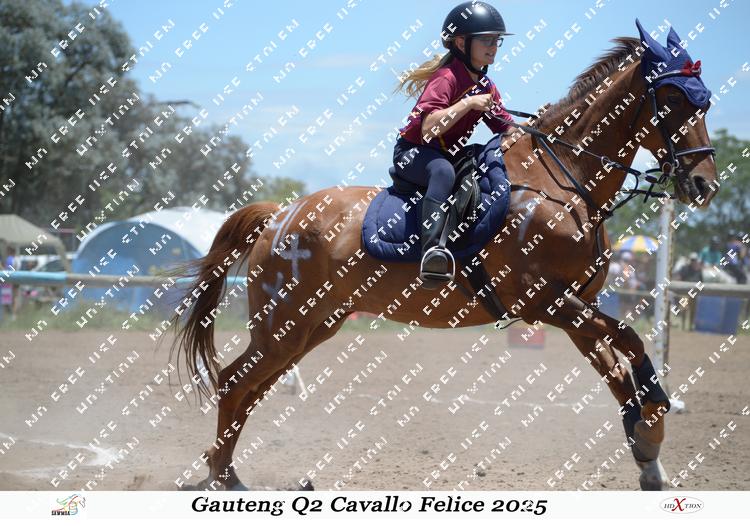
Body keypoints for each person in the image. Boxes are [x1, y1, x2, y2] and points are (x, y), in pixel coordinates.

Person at [393, 1, 514, 287]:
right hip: (414, 153)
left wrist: (540, 125)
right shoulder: (445, 78)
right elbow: (428, 128)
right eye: (486, 40)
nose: (494, 47)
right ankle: (432, 252)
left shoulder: (486, 86)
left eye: (496, 41)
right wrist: (468, 103)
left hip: (445, 154)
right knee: (443, 172)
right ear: (461, 42)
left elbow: (508, 129)